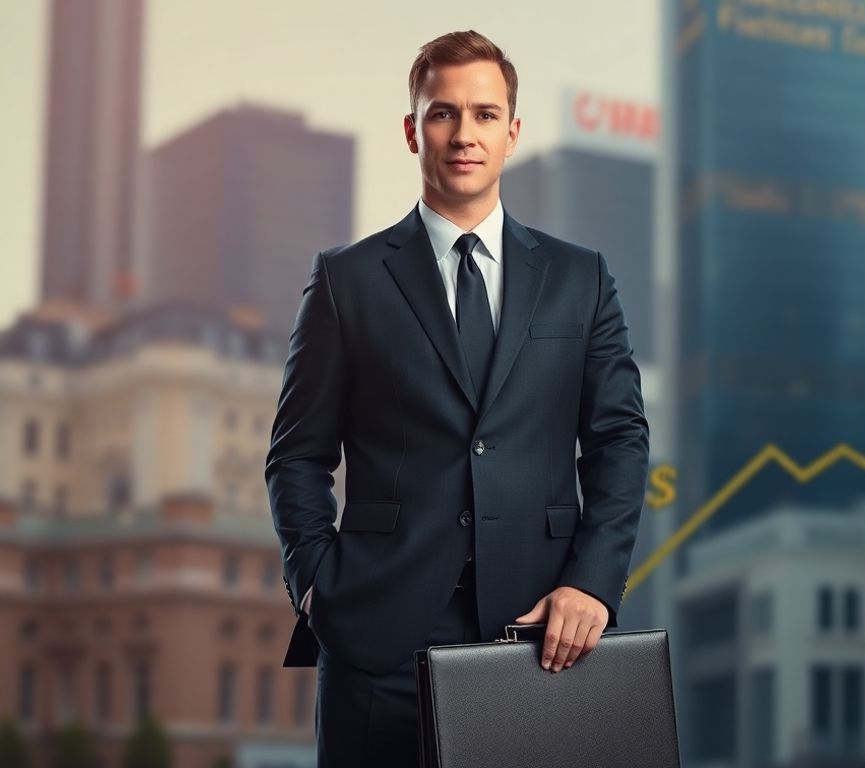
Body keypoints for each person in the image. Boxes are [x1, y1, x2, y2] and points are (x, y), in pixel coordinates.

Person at [264, 29, 649, 766]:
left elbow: (620, 442)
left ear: (513, 133)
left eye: (484, 114)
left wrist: (593, 584)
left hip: (542, 633)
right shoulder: (347, 281)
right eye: (443, 113)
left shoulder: (581, 278)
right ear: (414, 131)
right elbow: (296, 456)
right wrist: (317, 586)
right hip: (377, 638)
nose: (464, 133)